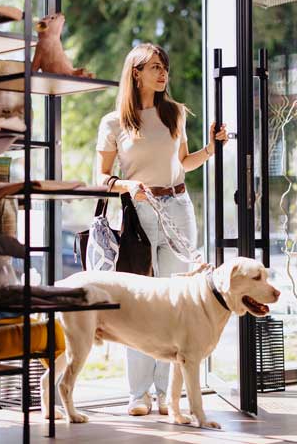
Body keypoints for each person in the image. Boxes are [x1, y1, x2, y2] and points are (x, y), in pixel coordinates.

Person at [95, 42, 228, 416]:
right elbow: (101, 177)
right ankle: (139, 394)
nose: (163, 72)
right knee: (139, 302)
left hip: (178, 208)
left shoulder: (175, 113)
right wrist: (127, 185)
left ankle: (169, 395)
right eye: (155, 66)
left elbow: (183, 163)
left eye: (164, 66)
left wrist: (210, 149)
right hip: (138, 214)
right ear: (136, 73)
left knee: (177, 300)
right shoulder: (114, 122)